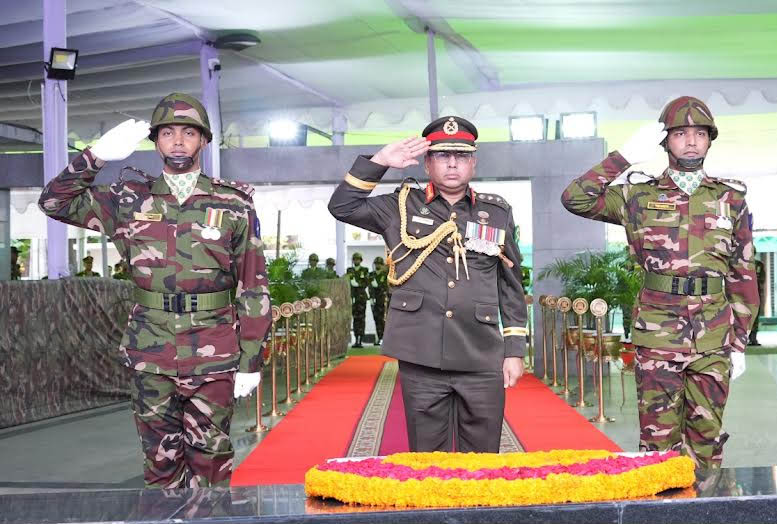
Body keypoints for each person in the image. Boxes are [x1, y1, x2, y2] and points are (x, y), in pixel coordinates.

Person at [38, 93, 271, 488]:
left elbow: (254, 284)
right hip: (151, 349)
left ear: (204, 141)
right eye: (167, 132)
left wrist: (252, 359)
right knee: (159, 464)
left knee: (212, 462)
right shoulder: (128, 200)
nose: (178, 141)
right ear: (156, 141)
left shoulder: (232, 203)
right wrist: (94, 156)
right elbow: (53, 202)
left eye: (188, 133)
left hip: (213, 352)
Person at [561, 96, 759, 468]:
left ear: (710, 140)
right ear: (665, 140)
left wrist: (741, 341)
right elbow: (575, 198)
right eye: (680, 133)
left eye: (699, 133)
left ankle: (703, 508)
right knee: (657, 444)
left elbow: (743, 272)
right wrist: (620, 160)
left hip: (714, 335)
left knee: (707, 438)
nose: (690, 141)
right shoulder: (638, 195)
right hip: (658, 334)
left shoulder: (730, 199)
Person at [328, 115, 527, 452]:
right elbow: (343, 205)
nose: (452, 164)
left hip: (481, 353)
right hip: (421, 353)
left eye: (461, 156)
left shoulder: (496, 212)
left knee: (483, 459)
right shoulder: (401, 205)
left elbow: (510, 284)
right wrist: (379, 163)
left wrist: (515, 351)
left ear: (473, 163)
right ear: (426, 163)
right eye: (442, 156)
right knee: (427, 459)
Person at [346, 252, 370, 347]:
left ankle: (360, 339)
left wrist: (358, 284)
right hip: (353, 298)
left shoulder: (365, 270)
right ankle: (356, 339)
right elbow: (347, 282)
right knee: (355, 319)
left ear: (360, 260)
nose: (356, 261)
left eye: (358, 259)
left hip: (361, 298)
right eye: (355, 259)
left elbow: (367, 282)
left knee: (362, 318)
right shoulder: (350, 270)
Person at [369, 256, 389, 343]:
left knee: (383, 319)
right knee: (376, 319)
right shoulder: (371, 275)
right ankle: (380, 337)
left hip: (383, 299)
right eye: (376, 264)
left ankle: (385, 338)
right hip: (374, 299)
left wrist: (378, 285)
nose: (377, 265)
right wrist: (371, 298)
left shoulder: (385, 275)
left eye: (379, 264)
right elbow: (370, 287)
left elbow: (385, 286)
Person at [749, 248, 766, 346]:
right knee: (745, 317)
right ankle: (745, 338)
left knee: (755, 316)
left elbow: (762, 279)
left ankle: (753, 338)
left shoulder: (759, 265)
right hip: (745, 295)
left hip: (756, 293)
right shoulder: (742, 265)